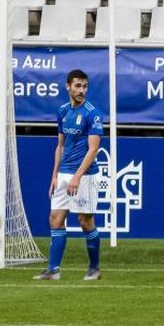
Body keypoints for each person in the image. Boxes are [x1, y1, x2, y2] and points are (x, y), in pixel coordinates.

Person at [34, 69, 103, 281]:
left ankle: (94, 268)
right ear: (68, 86)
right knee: (55, 218)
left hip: (86, 176)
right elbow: (60, 145)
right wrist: (55, 175)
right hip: (63, 174)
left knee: (84, 221)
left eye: (85, 86)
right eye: (78, 86)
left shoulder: (93, 113)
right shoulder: (63, 111)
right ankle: (53, 270)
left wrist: (77, 177)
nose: (82, 90)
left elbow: (93, 150)